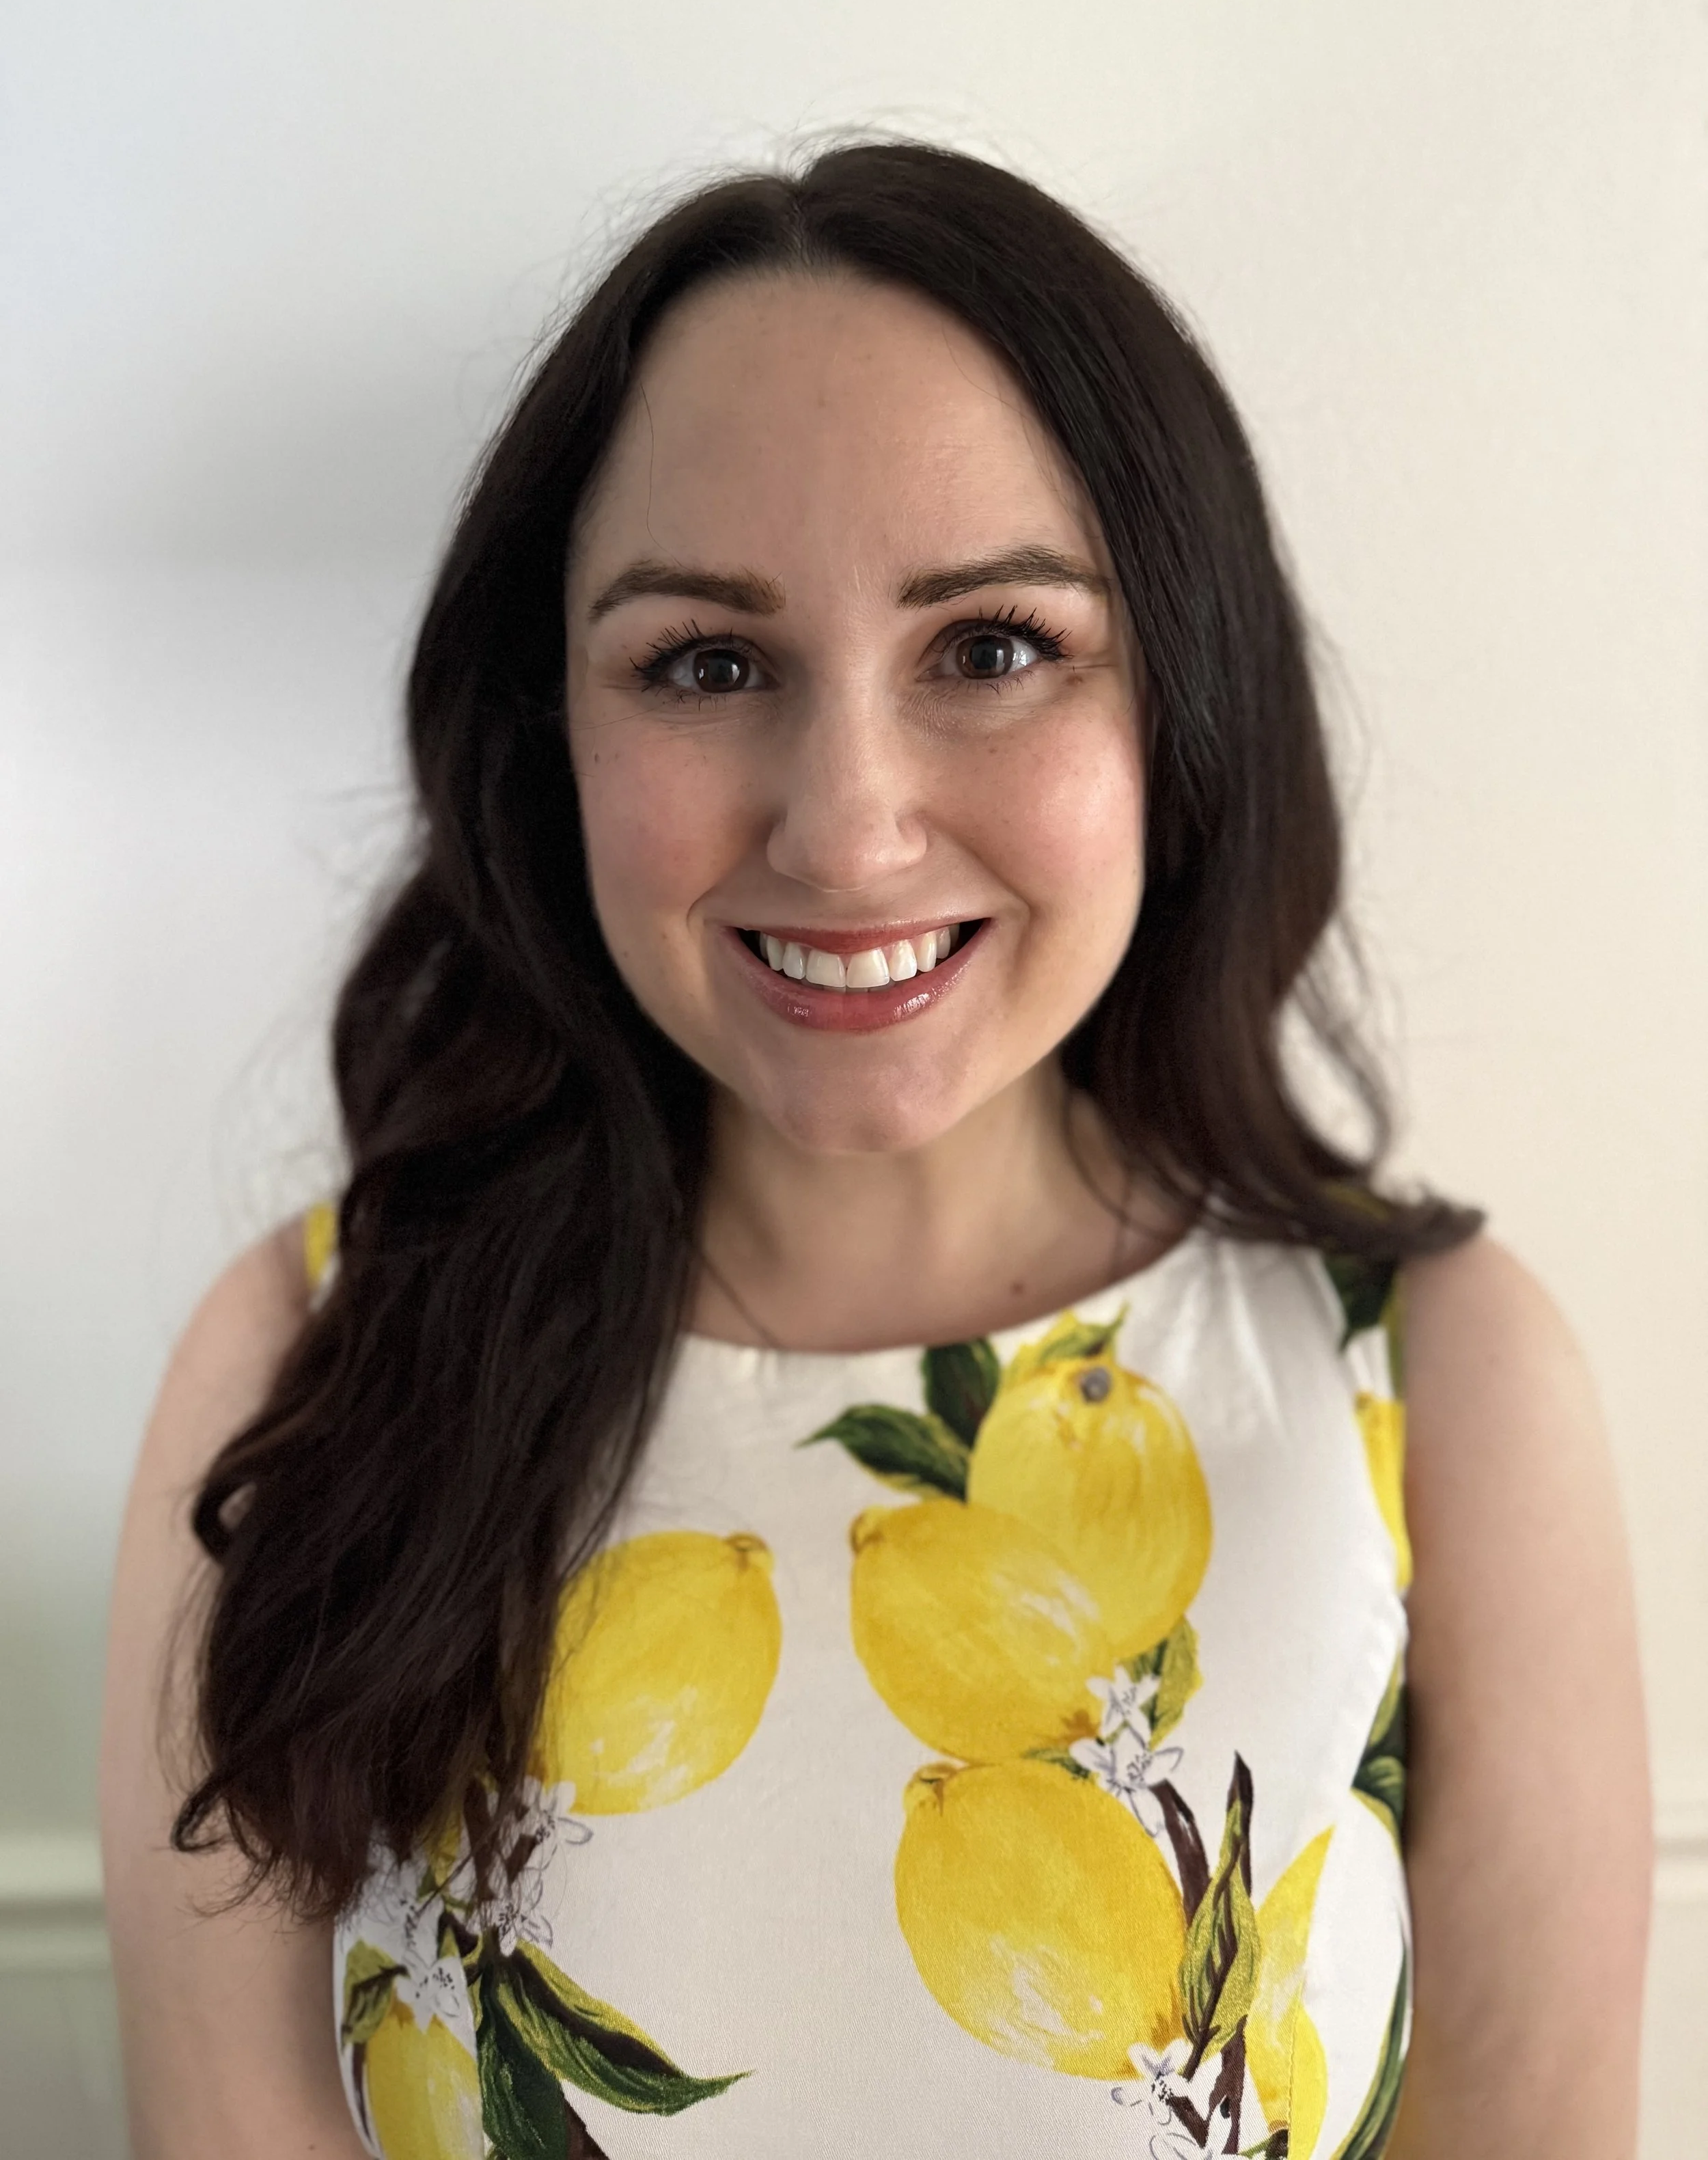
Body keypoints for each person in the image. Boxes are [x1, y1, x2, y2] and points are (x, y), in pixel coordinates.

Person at [100, 142, 1651, 2160]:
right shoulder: (300, 1367)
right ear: (543, 731)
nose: (846, 826)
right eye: (707, 662)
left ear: (1179, 699)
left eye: (991, 646)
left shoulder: (1436, 1378)